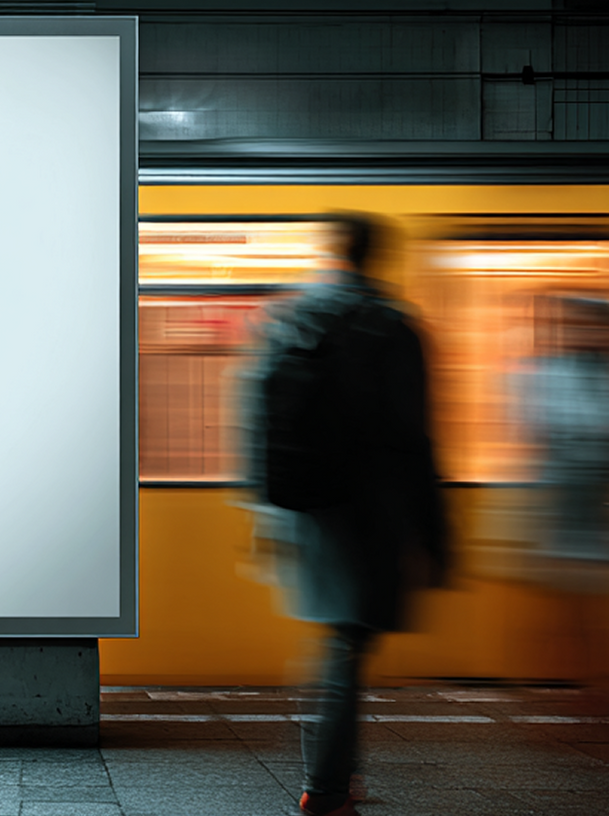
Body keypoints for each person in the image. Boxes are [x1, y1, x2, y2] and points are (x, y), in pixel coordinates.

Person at [243, 213, 450, 816]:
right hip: (368, 513)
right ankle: (328, 788)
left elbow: (257, 416)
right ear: (377, 255)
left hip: (303, 510)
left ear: (333, 251)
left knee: (340, 642)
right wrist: (435, 534)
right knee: (344, 646)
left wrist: (265, 511)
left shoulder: (289, 319)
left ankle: (341, 776)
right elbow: (417, 438)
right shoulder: (392, 325)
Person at [512, 295, 609, 689]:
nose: (586, 333)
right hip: (562, 511)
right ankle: (561, 696)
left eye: (595, 325)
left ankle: (598, 696)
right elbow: (535, 428)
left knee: (599, 617)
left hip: (604, 514)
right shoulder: (550, 374)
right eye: (578, 324)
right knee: (563, 613)